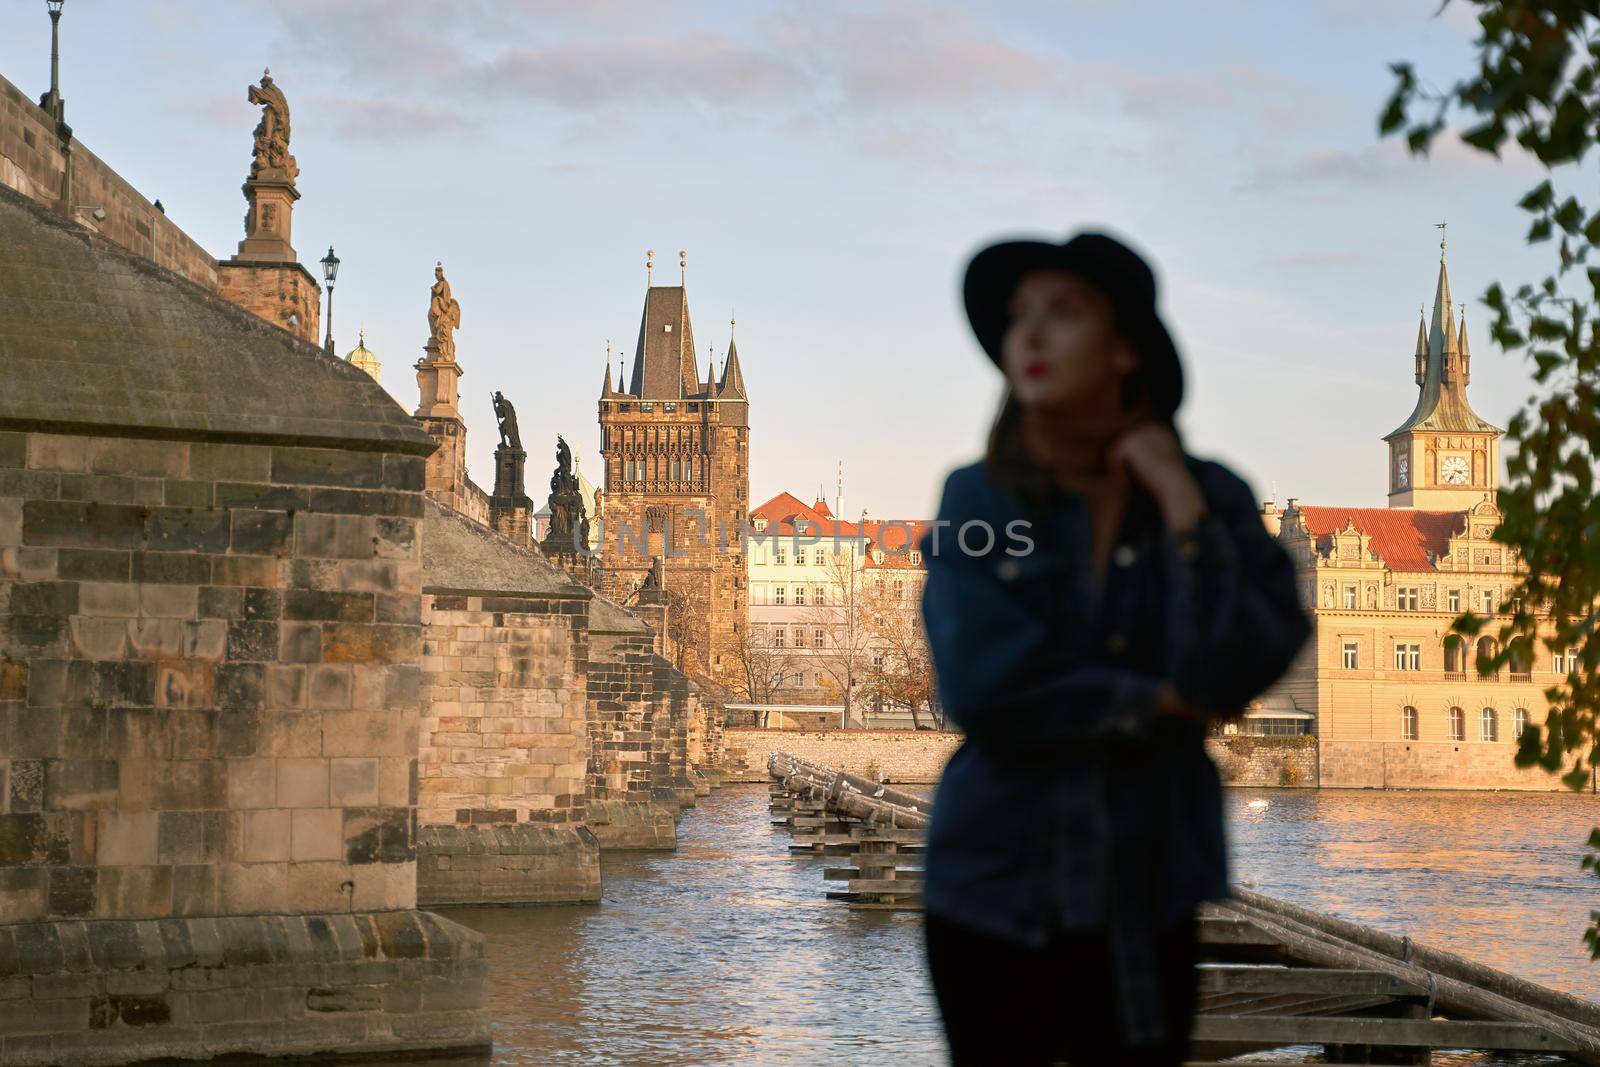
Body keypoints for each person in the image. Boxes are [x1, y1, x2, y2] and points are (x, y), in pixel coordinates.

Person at [917, 231, 1310, 1065]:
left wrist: (1178, 502)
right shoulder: (981, 497)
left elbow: (1242, 655)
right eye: (1019, 315)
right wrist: (1150, 702)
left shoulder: (1208, 494)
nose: (1028, 334)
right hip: (994, 883)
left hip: (1147, 883)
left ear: (1126, 348)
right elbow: (983, 686)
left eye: (1063, 313)